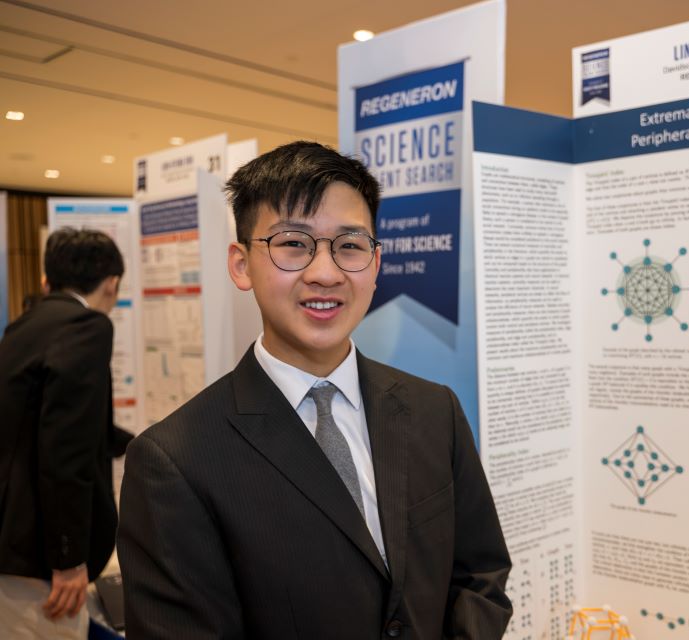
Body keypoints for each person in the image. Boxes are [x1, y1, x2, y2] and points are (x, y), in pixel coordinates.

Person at [117, 141, 512, 638]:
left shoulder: (434, 409)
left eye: (349, 245)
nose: (325, 273)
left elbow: (481, 576)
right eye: (293, 243)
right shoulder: (175, 460)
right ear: (241, 264)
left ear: (376, 263)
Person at [0, 228, 124, 639]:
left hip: (12, 543)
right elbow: (64, 453)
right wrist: (69, 558)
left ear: (45, 280)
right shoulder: (87, 327)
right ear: (112, 284)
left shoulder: (25, 325)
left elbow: (48, 423)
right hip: (39, 559)